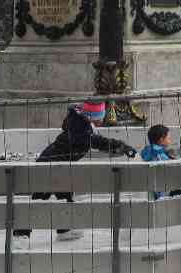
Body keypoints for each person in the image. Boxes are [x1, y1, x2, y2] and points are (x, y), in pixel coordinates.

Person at [12, 100, 137, 242]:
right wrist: (119, 145)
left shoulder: (81, 123)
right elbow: (96, 141)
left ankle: (65, 230)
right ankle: (20, 234)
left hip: (61, 167)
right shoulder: (80, 130)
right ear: (92, 116)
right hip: (49, 167)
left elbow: (95, 141)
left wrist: (116, 148)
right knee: (39, 200)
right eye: (101, 116)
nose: (103, 119)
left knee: (65, 199)